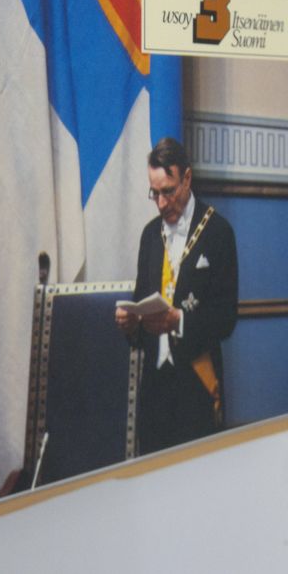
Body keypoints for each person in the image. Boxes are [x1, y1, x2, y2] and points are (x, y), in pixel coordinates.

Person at [116, 137, 238, 454]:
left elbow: (226, 320)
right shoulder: (149, 235)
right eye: (154, 193)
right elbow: (141, 309)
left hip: (198, 385)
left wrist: (178, 321)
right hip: (154, 390)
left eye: (168, 191)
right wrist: (131, 325)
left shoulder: (218, 232)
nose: (160, 203)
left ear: (187, 178)